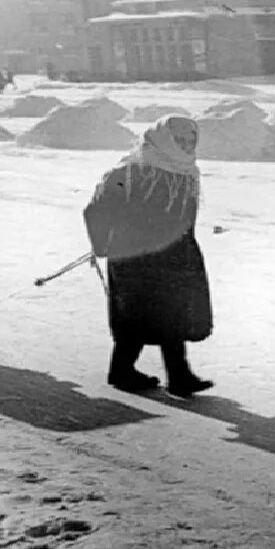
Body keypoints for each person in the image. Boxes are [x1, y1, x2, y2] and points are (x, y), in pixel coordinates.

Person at [83, 116, 215, 397]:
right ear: (162, 139)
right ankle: (123, 371)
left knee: (173, 314)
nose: (186, 146)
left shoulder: (186, 172)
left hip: (175, 255)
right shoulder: (128, 173)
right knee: (137, 315)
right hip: (134, 256)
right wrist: (102, 246)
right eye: (179, 140)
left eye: (191, 140)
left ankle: (178, 376)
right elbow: (96, 210)